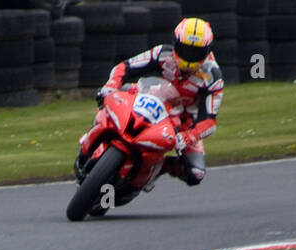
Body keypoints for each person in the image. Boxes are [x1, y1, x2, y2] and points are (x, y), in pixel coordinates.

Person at [76, 17, 223, 187]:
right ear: (176, 43)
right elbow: (126, 67)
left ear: (207, 51)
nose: (189, 58)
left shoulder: (213, 78)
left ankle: (158, 167)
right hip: (149, 97)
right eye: (185, 50)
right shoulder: (162, 53)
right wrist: (111, 85)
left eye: (196, 53)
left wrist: (189, 137)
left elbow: (209, 121)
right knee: (111, 97)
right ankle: (91, 140)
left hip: (182, 121)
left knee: (195, 174)